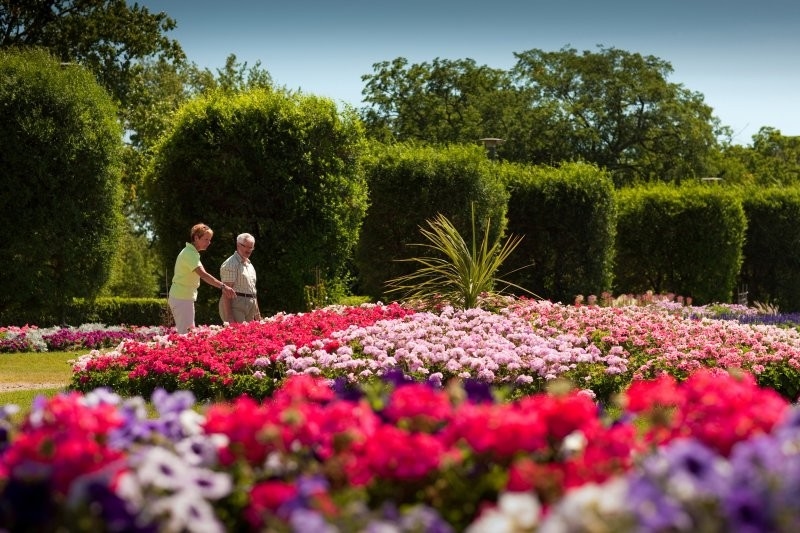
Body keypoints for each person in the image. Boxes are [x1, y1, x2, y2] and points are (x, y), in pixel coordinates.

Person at [168, 223, 236, 334]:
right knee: (187, 335)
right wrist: (223, 286)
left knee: (188, 334)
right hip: (182, 297)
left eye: (209, 240)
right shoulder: (189, 254)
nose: (209, 243)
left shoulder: (191, 252)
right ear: (196, 238)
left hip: (183, 296)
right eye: (206, 239)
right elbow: (203, 275)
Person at [219, 232, 261, 323]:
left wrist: (257, 314)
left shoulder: (249, 265)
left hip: (251, 306)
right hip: (236, 305)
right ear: (238, 245)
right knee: (239, 335)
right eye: (246, 246)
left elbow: (253, 290)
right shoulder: (231, 264)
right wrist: (229, 316)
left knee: (251, 336)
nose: (249, 250)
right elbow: (226, 291)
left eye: (251, 247)